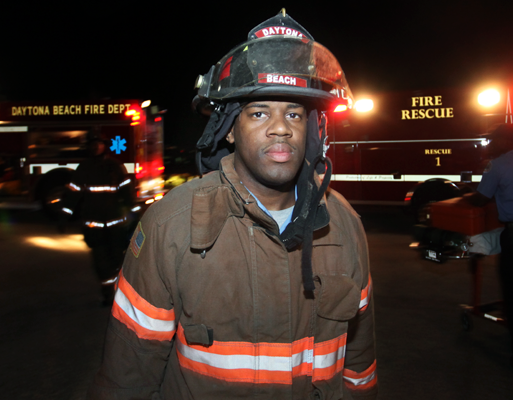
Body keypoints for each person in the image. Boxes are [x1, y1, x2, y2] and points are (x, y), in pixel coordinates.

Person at [89, 10, 377, 399]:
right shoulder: (170, 225)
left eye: (294, 113)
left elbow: (359, 361)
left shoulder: (344, 224)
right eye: (259, 113)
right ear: (228, 131)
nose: (281, 127)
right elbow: (129, 371)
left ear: (313, 131)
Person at [60, 132, 134, 305]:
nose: (96, 147)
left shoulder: (115, 166)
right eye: (93, 144)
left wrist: (134, 214)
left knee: (117, 259)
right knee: (100, 262)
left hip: (115, 225)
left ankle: (119, 291)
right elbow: (72, 194)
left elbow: (126, 193)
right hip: (93, 226)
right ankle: (108, 293)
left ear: (104, 146)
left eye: (99, 143)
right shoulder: (84, 168)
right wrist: (64, 215)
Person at [466, 123, 513, 364]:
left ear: (506, 140)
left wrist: (466, 195)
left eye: (496, 140)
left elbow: (481, 199)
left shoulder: (499, 164)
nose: (492, 144)